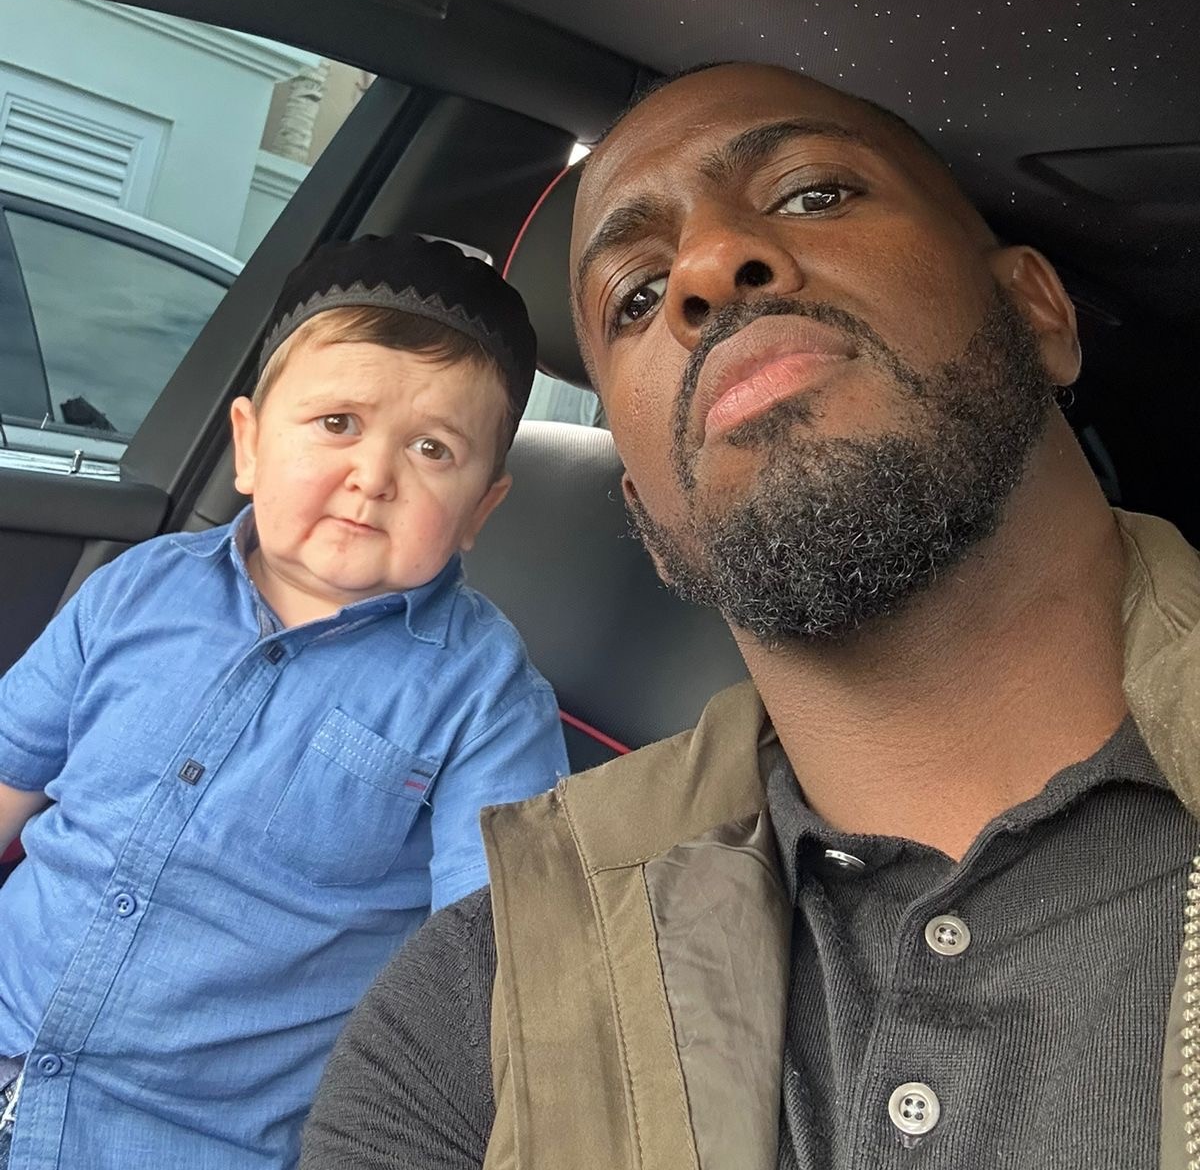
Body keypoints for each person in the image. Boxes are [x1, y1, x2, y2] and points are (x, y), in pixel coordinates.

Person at [300, 64, 1200, 1170]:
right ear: (649, 516)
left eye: (814, 193)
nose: (708, 267)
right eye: (635, 295)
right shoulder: (489, 999)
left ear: (1036, 307)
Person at [0, 233, 569, 1170]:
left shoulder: (484, 696)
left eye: (432, 448)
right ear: (250, 445)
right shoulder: (137, 591)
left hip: (195, 1140)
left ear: (479, 511)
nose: (374, 474)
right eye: (337, 423)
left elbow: (494, 963)